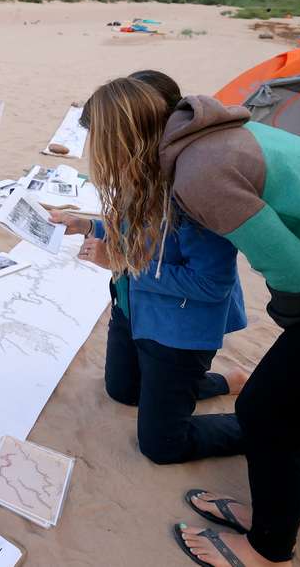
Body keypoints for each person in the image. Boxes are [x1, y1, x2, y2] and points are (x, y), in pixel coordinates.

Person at [80, 76, 300, 567]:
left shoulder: (199, 171)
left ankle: (269, 552)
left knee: (270, 413)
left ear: (122, 138)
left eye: (98, 144)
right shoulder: (199, 135)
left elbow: (297, 272)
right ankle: (273, 519)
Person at [52, 70, 248, 467]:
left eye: (99, 142)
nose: (93, 151)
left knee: (161, 445)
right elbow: (135, 234)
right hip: (132, 309)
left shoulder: (191, 191)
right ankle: (217, 383)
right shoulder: (137, 173)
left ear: (127, 140)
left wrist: (122, 262)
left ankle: (271, 424)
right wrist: (87, 225)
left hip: (178, 330)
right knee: (123, 391)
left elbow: (213, 284)